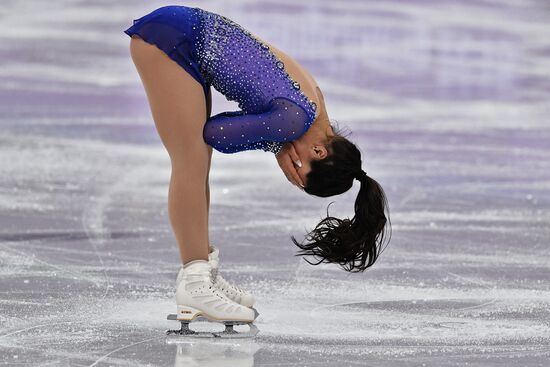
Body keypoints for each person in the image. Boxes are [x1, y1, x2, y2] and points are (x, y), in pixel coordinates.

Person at [123, 5, 391, 325]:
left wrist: (279, 139)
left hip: (186, 30)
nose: (291, 164)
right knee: (191, 160)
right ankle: (193, 283)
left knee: (196, 160)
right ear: (319, 152)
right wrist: (277, 143)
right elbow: (216, 133)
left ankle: (202, 269)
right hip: (170, 42)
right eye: (297, 168)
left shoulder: (315, 105)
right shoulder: (293, 122)